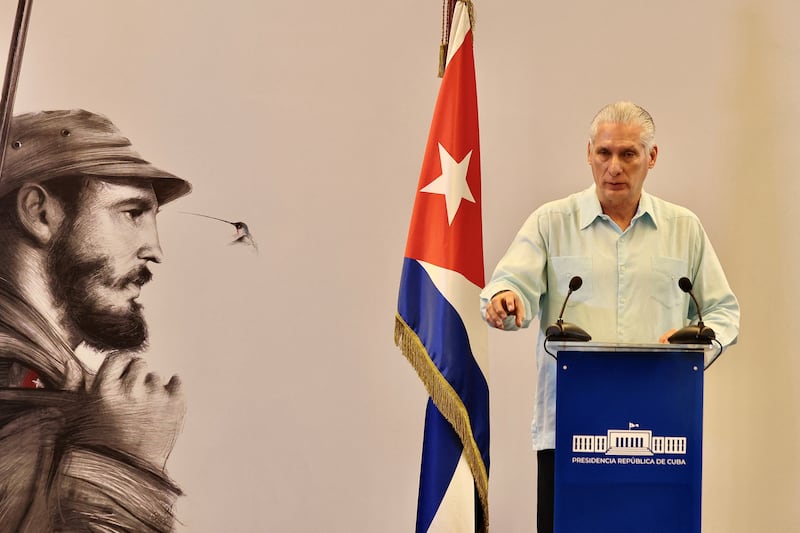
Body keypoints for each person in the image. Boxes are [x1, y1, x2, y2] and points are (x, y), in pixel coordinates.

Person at [480, 101, 740, 533]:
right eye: (604, 154)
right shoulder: (551, 222)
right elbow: (510, 287)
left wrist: (694, 346)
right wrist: (506, 300)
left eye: (628, 154)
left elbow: (724, 311)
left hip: (662, 436)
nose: (614, 167)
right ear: (588, 153)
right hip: (571, 433)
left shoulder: (684, 228)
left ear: (651, 158)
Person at [0, 109, 192, 532]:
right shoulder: (14, 389)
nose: (154, 249)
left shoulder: (55, 384)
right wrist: (124, 462)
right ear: (40, 213)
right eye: (132, 212)